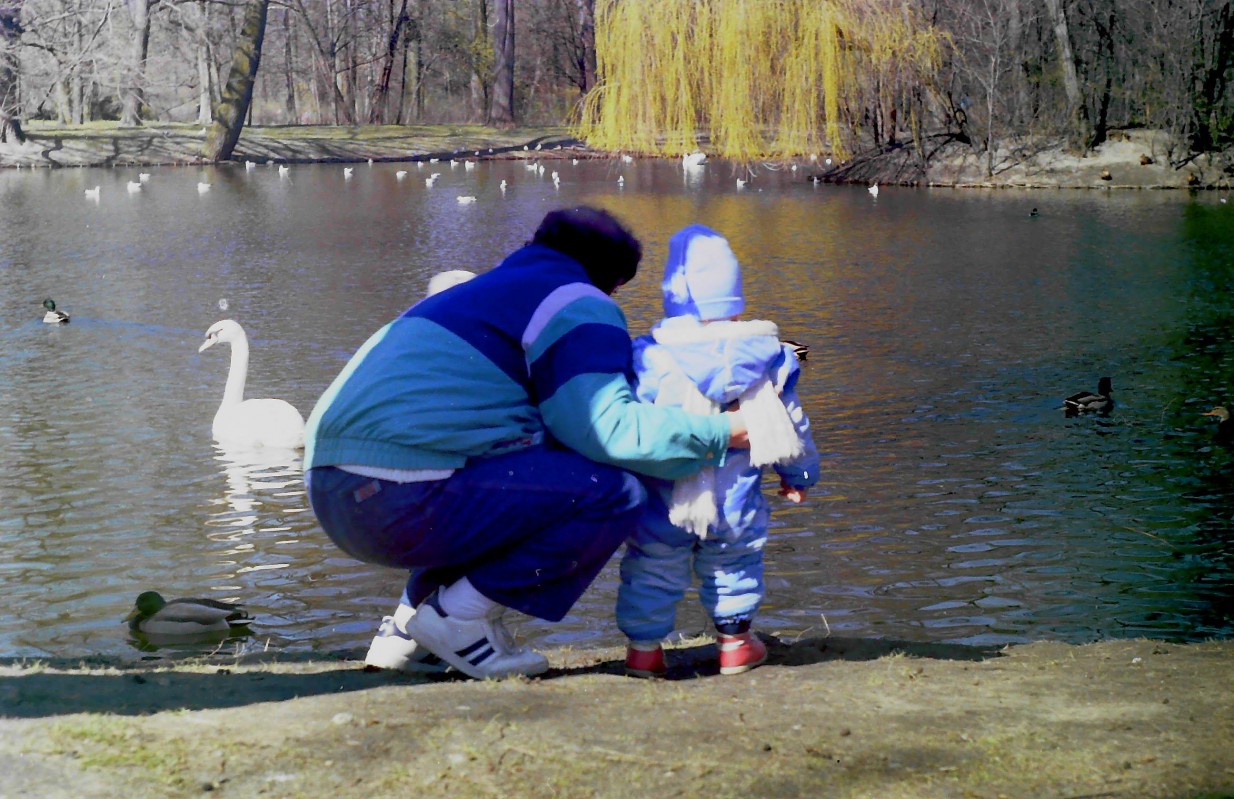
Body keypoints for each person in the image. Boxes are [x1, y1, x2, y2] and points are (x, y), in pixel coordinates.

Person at [304, 207, 749, 680]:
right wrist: (725, 432)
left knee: (523, 478)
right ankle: (458, 620)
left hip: (333, 491)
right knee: (609, 491)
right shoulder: (575, 298)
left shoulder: (479, 294)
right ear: (611, 278)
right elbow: (607, 428)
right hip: (402, 497)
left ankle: (405, 635)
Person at [616, 224, 820, 678]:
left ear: (674, 295)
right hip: (738, 496)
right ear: (735, 295)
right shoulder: (766, 355)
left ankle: (644, 652)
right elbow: (793, 426)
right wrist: (800, 476)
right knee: (735, 561)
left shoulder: (650, 357)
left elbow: (633, 423)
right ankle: (735, 645)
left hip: (665, 495)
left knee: (652, 564)